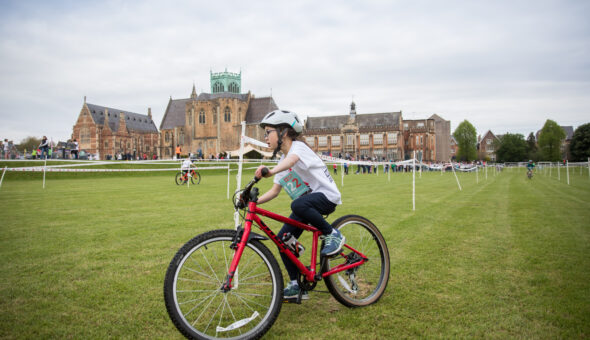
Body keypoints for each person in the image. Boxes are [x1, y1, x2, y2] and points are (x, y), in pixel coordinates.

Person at [254, 110, 345, 300]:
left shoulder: (298, 148)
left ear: (283, 133)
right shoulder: (282, 160)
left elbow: (292, 161)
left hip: (326, 197)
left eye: (268, 132)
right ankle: (296, 285)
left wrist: (270, 171)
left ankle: (333, 234)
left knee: (297, 204)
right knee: (282, 239)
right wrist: (252, 201)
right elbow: (274, 191)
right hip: (307, 203)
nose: (265, 137)